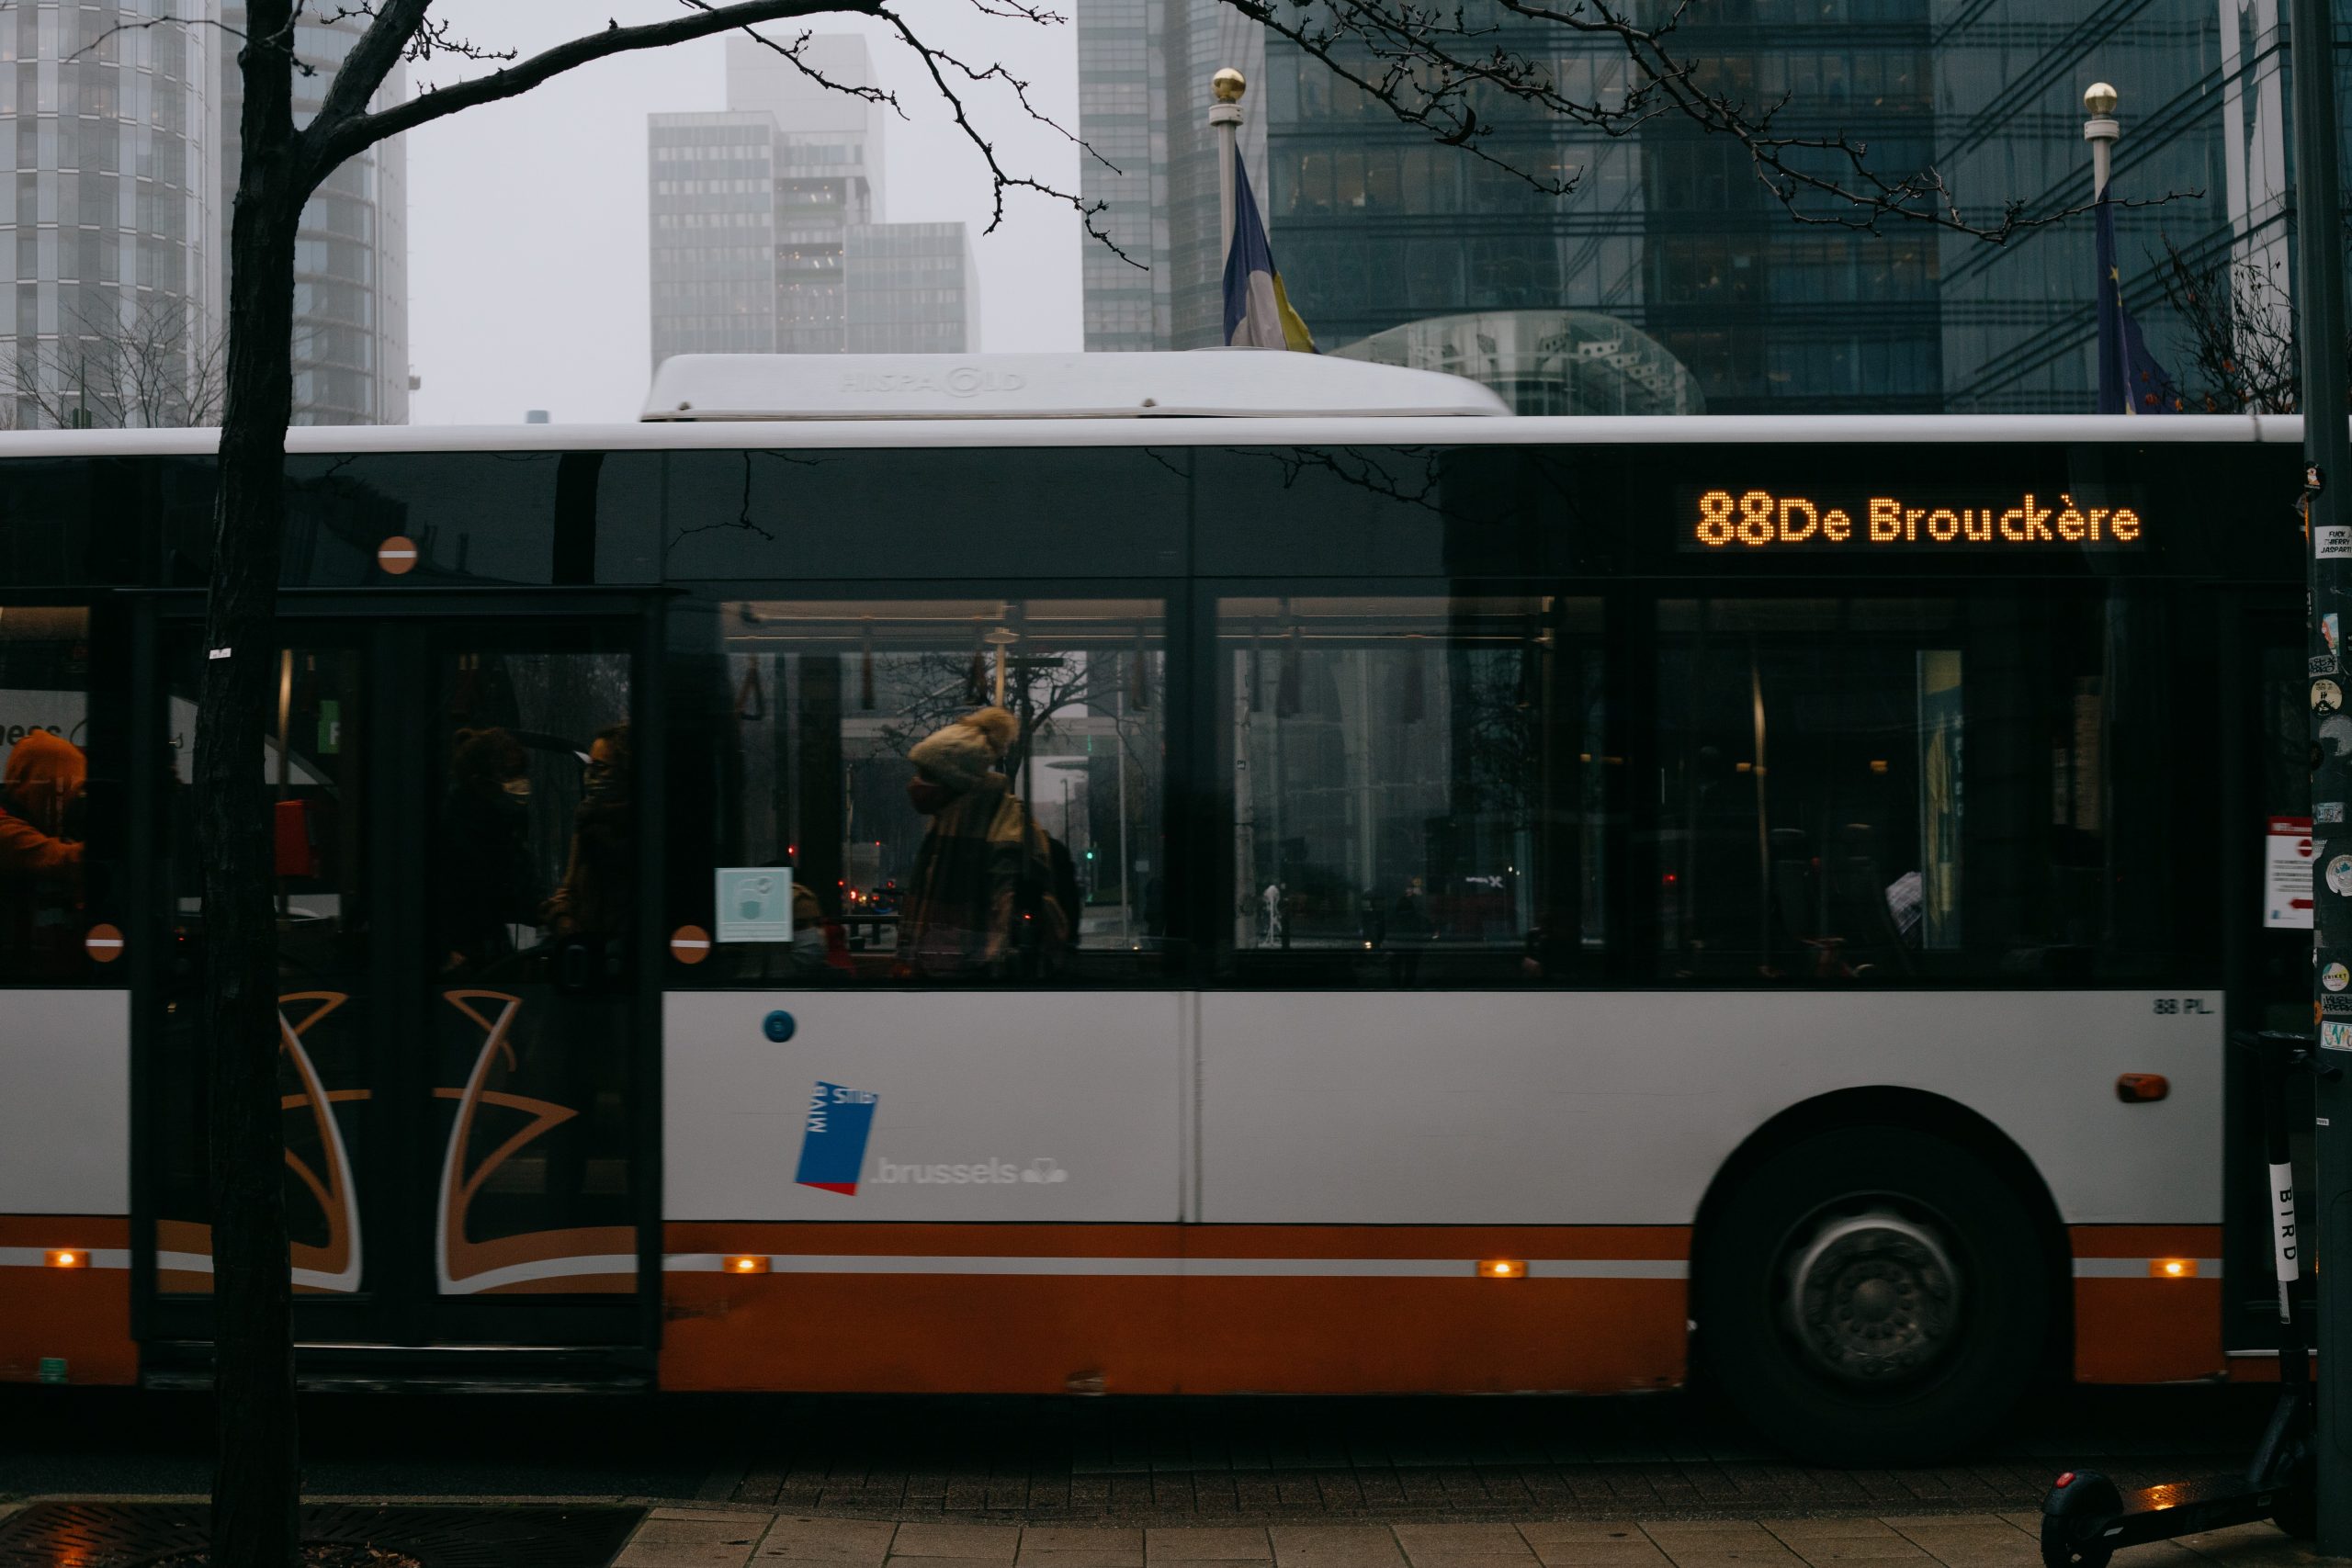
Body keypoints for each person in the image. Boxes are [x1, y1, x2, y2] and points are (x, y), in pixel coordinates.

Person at [897, 706, 1069, 979]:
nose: (915, 784)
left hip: (968, 980)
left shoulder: (1008, 840)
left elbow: (1006, 934)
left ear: (956, 782)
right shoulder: (951, 824)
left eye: (927, 775)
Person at [436, 727, 537, 974]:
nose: (519, 786)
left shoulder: (501, 827)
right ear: (479, 783)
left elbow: (525, 895)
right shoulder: (445, 832)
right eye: (509, 777)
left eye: (520, 776)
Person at [0, 729, 87, 974]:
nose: (67, 803)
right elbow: (62, 860)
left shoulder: (44, 830)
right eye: (62, 791)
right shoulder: (6, 831)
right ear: (38, 786)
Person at [541, 723, 633, 948]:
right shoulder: (588, 819)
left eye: (601, 768)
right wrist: (562, 917)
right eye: (590, 767)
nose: (591, 775)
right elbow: (569, 889)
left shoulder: (640, 830)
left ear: (625, 772)